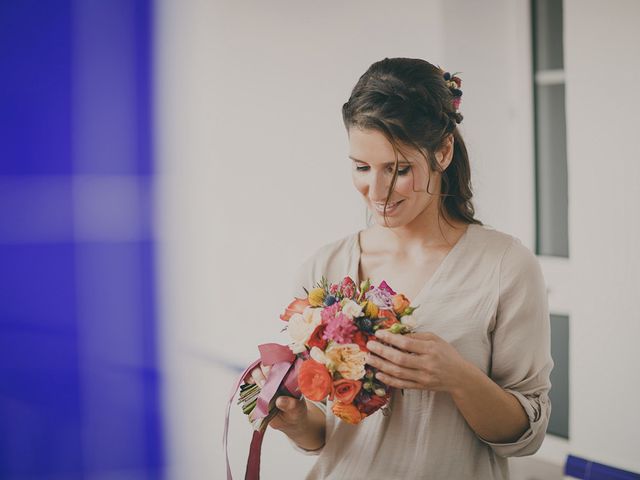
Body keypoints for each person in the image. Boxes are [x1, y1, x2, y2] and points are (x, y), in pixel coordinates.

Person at [244, 57, 553, 479]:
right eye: (361, 167)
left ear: (443, 151)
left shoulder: (504, 266)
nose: (376, 191)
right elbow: (325, 434)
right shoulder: (325, 268)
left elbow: (526, 435)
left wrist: (457, 377)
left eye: (399, 169)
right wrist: (296, 422)